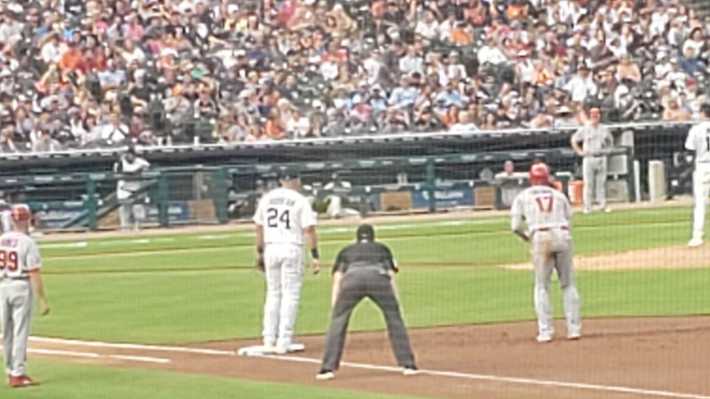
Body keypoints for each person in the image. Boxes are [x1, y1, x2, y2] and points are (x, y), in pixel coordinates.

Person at [316, 224, 417, 381]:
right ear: (373, 237)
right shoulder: (382, 248)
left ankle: (327, 369)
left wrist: (336, 305)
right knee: (394, 319)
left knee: (338, 322)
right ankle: (408, 365)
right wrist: (394, 302)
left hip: (351, 280)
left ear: (357, 238)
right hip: (378, 279)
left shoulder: (346, 251)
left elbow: (338, 277)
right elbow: (390, 275)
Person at [248, 171, 320, 355]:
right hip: (292, 246)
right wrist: (315, 255)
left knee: (273, 293)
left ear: (280, 181)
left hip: (271, 247)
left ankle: (268, 339)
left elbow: (259, 227)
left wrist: (259, 252)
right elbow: (309, 230)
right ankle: (284, 340)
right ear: (297, 180)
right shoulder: (300, 200)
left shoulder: (267, 198)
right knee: (291, 294)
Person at [511, 163, 582, 343]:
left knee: (542, 286)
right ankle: (574, 330)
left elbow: (515, 226)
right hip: (562, 234)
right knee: (568, 284)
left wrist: (527, 238)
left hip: (540, 236)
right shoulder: (559, 195)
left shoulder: (523, 196)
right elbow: (569, 219)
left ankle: (545, 332)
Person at [0, 204, 50, 388]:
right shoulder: (27, 242)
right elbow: (34, 272)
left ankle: (9, 370)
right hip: (20, 286)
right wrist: (42, 299)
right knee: (20, 331)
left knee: (7, 332)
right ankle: (18, 374)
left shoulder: (2, 238)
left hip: (3, 285)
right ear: (27, 219)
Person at [570, 107, 613, 213]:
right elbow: (574, 140)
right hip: (589, 157)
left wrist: (607, 151)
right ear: (590, 116)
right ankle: (587, 207)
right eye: (593, 115)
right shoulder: (585, 128)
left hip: (601, 157)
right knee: (588, 183)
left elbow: (610, 142)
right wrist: (579, 151)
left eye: (597, 115)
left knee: (601, 183)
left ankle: (602, 205)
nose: (595, 117)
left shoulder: (604, 129)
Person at [685, 103, 710, 247]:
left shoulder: (696, 129)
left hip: (702, 165)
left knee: (700, 202)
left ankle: (697, 236)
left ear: (702, 113)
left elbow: (689, 150)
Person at [113, 146, 150, 231]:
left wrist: (140, 172)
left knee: (138, 207)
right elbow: (119, 174)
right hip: (123, 188)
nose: (129, 156)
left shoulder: (141, 161)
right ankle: (125, 227)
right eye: (127, 154)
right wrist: (136, 172)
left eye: (131, 154)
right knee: (124, 208)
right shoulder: (119, 162)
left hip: (137, 186)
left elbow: (148, 169)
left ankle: (138, 227)